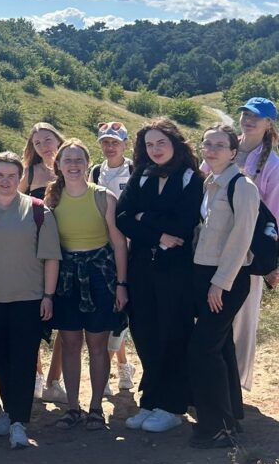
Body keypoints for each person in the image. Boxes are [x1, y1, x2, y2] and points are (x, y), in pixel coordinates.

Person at [115, 118, 204, 433]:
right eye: (149, 144)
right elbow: (122, 218)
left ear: (175, 143)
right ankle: (151, 400)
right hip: (142, 268)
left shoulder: (192, 178)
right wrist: (158, 234)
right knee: (145, 333)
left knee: (172, 334)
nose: (155, 149)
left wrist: (144, 217)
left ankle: (173, 406)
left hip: (176, 271)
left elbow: (183, 224)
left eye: (161, 143)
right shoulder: (141, 175)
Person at [0, 152, 61, 449]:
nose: (5, 181)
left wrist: (48, 296)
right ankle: (9, 412)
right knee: (1, 358)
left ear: (20, 177)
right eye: (0, 175)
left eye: (12, 176)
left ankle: (20, 421)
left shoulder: (38, 210)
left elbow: (51, 258)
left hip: (29, 298)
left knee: (23, 360)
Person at [44, 140, 129, 431]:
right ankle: (72, 408)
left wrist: (122, 284)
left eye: (79, 159)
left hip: (100, 276)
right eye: (67, 160)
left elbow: (119, 244)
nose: (73, 165)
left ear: (87, 162)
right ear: (58, 164)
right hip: (65, 277)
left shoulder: (104, 197)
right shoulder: (51, 199)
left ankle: (95, 408)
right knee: (69, 344)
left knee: (97, 345)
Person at [205, 98, 279, 392]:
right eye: (245, 114)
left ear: (269, 123)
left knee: (242, 318)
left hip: (249, 251)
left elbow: (275, 214)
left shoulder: (273, 165)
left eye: (257, 116)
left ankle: (234, 385)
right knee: (209, 314)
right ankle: (209, 380)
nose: (248, 120)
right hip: (210, 245)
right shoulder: (223, 145)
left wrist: (273, 262)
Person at [189, 124, 259, 449]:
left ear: (233, 152)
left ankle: (217, 427)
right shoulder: (210, 183)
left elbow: (241, 238)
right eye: (207, 144)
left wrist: (219, 283)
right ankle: (232, 419)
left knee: (203, 349)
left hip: (227, 278)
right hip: (205, 274)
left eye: (219, 145)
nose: (212, 149)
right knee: (221, 346)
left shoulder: (242, 186)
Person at [18, 122, 67, 403]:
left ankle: (54, 380)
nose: (44, 146)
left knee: (67, 320)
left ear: (58, 139)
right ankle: (36, 376)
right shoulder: (28, 172)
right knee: (34, 313)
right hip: (35, 252)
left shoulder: (73, 166)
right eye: (37, 143)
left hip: (69, 247)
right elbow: (16, 205)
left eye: (48, 140)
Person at [91, 122, 137, 396]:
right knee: (111, 308)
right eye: (105, 142)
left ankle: (116, 366)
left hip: (130, 248)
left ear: (125, 144)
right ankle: (121, 366)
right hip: (102, 249)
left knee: (123, 306)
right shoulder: (96, 171)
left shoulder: (134, 169)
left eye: (115, 142)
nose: (110, 147)